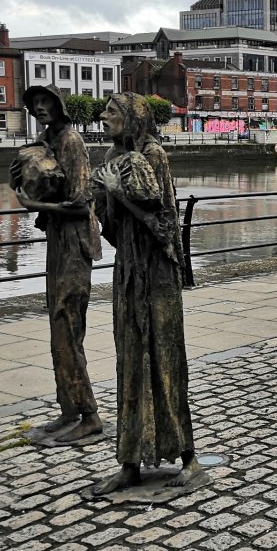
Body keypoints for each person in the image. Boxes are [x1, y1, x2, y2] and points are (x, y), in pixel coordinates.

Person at [91, 93, 199, 494]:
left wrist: (120, 194)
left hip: (158, 277)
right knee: (130, 364)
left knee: (166, 362)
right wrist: (103, 200)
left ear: (133, 117)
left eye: (112, 111)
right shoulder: (112, 157)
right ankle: (130, 461)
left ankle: (188, 457)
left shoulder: (154, 156)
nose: (103, 117)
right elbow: (114, 230)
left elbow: (165, 224)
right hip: (129, 273)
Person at [10, 84, 103, 443]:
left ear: (60, 105)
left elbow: (81, 203)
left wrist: (35, 207)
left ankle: (89, 415)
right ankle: (68, 409)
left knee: (68, 326)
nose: (40, 107)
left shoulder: (72, 141)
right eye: (35, 103)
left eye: (46, 101)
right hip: (57, 240)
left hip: (75, 243)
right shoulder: (46, 141)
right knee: (57, 328)